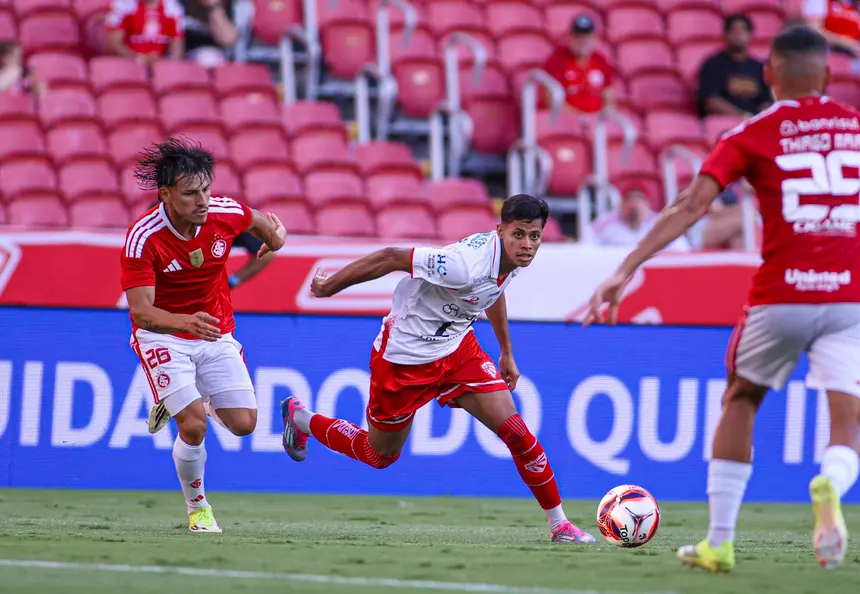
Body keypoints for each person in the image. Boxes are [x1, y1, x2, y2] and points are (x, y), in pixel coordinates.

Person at [584, 26, 860, 572]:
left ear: (769, 74)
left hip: (781, 296)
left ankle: (720, 541)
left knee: (742, 398)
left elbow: (691, 206)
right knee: (851, 424)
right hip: (854, 299)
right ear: (828, 75)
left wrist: (626, 268)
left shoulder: (751, 132)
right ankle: (830, 482)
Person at [279, 194, 597, 544]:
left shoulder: (507, 261)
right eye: (519, 234)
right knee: (378, 455)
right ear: (500, 230)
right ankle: (301, 418)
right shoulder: (463, 263)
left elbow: (490, 292)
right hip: (404, 360)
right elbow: (391, 257)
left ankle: (560, 525)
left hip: (459, 351)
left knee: (518, 434)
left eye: (534, 236)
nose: (527, 244)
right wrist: (329, 286)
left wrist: (506, 351)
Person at [120, 138, 287, 532]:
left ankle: (182, 397)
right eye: (192, 193)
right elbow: (142, 314)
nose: (204, 200)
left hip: (214, 331)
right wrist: (184, 322)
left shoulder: (225, 213)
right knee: (193, 425)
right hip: (164, 335)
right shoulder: (143, 237)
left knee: (245, 424)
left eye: (207, 189)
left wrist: (274, 241)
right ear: (166, 194)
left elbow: (268, 228)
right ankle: (198, 510)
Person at [697, 14, 772, 118]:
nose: (738, 34)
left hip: (755, 122)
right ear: (725, 35)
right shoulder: (712, 65)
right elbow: (711, 101)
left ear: (751, 35)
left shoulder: (760, 68)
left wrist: (760, 115)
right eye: (733, 31)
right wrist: (743, 116)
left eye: (743, 30)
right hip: (724, 122)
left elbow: (767, 101)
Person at [542, 14, 615, 114]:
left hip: (597, 123)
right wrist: (580, 119)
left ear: (594, 37)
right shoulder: (557, 60)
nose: (582, 41)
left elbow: (608, 96)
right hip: (567, 123)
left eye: (586, 36)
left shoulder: (600, 61)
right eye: (578, 36)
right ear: (570, 37)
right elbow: (551, 99)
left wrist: (602, 118)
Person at [106, 0, 186, 65]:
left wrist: (164, 64)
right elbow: (114, 45)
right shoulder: (123, 4)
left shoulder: (172, 7)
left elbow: (177, 50)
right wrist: (139, 58)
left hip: (159, 65)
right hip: (127, 65)